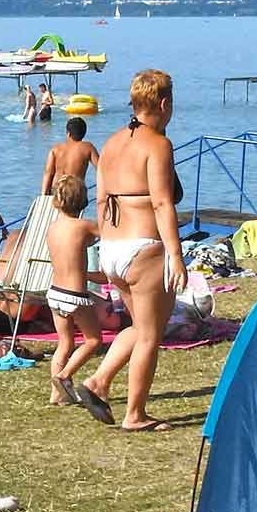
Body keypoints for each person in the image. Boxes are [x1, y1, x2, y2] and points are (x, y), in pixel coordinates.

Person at [76, 69, 187, 433]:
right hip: (144, 248)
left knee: (140, 327)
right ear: (164, 103)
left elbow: (102, 200)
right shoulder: (157, 145)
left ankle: (98, 382)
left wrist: (106, 245)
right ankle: (135, 414)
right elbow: (161, 203)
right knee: (151, 336)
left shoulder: (110, 144)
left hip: (112, 248)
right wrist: (176, 254)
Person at [44, 175, 103, 407]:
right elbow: (108, 235)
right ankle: (64, 375)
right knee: (93, 340)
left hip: (54, 292)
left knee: (64, 343)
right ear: (83, 201)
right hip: (75, 295)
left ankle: (56, 396)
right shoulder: (85, 226)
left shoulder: (53, 228)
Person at [40, 117, 100, 195]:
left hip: (57, 191)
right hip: (75, 193)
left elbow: (48, 173)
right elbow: (101, 169)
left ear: (68, 133)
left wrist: (43, 195)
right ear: (84, 133)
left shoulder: (55, 149)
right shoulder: (88, 147)